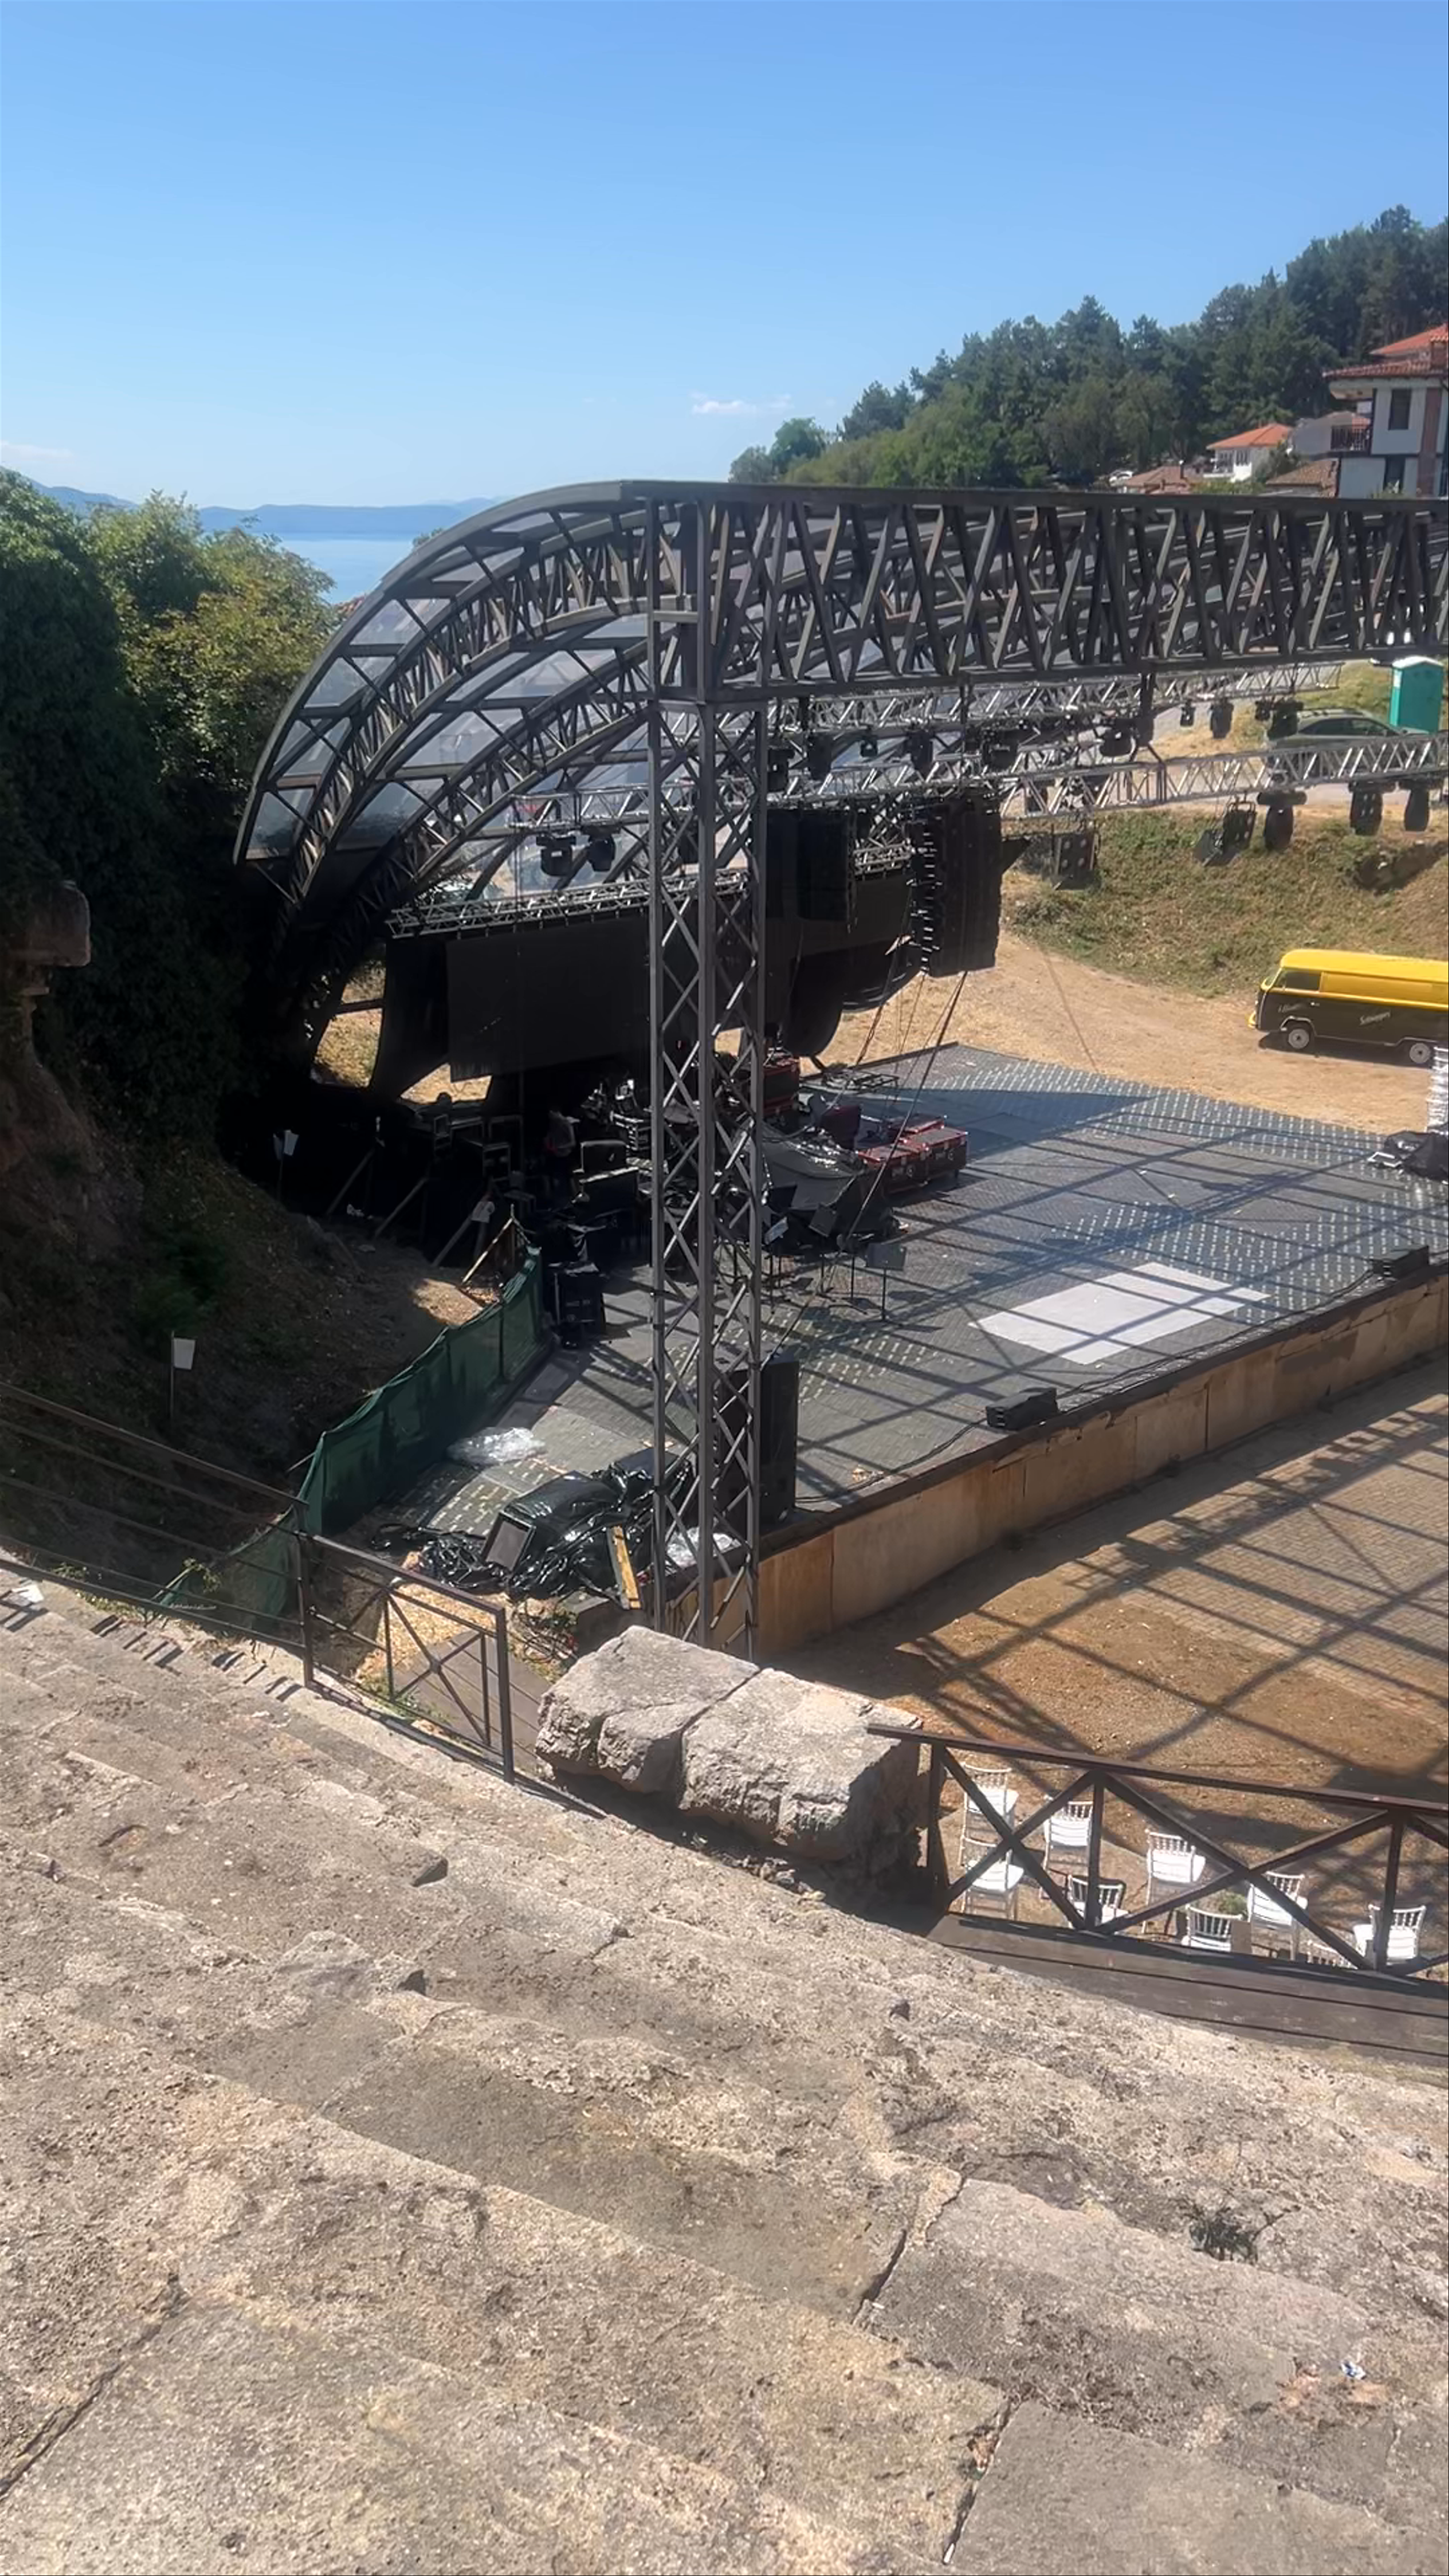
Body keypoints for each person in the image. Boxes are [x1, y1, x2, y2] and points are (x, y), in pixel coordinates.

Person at [541, 1106, 577, 1203]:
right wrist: (548, 1143)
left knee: (569, 1177)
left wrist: (561, 1147)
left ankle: (575, 1198)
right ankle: (549, 1198)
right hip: (554, 1154)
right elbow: (549, 1138)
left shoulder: (566, 1124)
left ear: (555, 1112)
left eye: (551, 1114)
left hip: (565, 1155)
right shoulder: (553, 1125)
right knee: (547, 1174)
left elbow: (573, 1143)